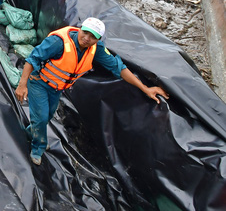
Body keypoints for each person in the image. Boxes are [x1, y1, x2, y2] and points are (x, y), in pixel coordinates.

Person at [16, 17, 169, 165]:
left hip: (57, 88)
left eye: (93, 36)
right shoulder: (59, 42)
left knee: (48, 115)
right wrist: (22, 85)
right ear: (80, 29)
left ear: (98, 39)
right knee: (42, 117)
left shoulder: (96, 50)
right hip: (39, 83)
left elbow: (119, 68)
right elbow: (32, 59)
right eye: (85, 32)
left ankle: (33, 131)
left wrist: (145, 88)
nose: (87, 38)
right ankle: (38, 147)